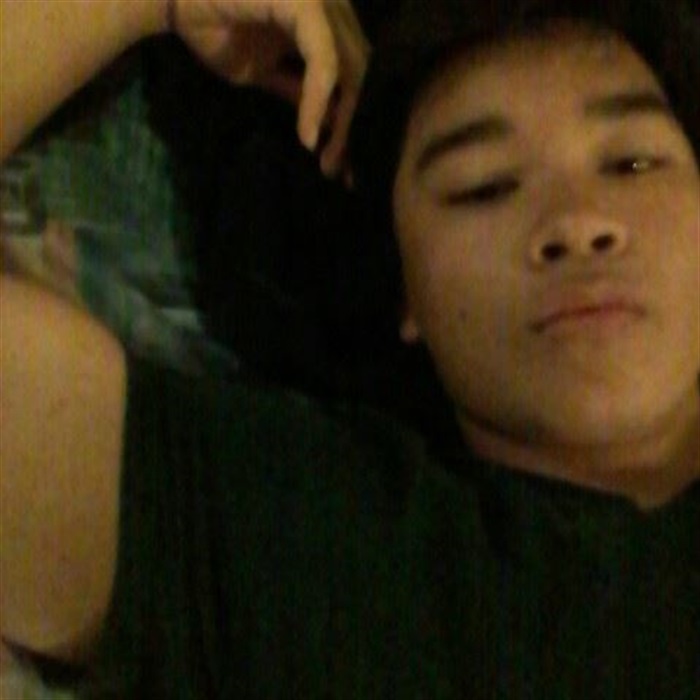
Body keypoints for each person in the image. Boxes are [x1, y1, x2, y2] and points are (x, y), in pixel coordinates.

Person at [1, 0, 698, 697]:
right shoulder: (321, 553)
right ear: (408, 295)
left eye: (633, 163)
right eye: (483, 187)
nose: (577, 221)